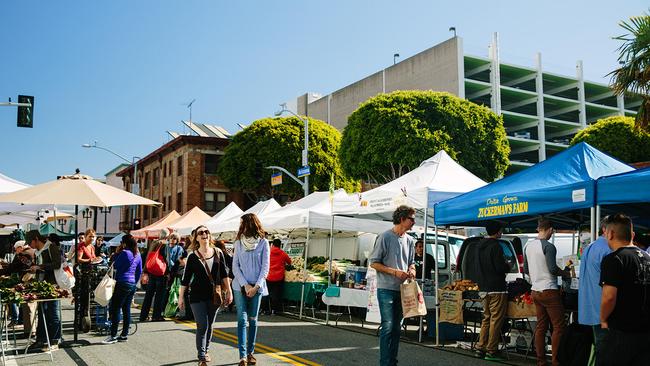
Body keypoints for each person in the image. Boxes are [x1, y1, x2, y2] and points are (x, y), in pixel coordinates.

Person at [598, 214, 650, 365]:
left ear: (611, 233)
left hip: (621, 331)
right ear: (632, 235)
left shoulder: (614, 259)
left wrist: (603, 319)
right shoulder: (647, 257)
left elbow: (609, 297)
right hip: (645, 331)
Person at [368, 205, 416, 366]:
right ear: (402, 219)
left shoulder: (410, 241)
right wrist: (395, 272)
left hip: (403, 290)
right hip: (386, 289)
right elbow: (374, 263)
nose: (414, 222)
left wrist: (412, 269)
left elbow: (412, 262)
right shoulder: (385, 237)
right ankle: (385, 363)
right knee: (388, 326)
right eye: (411, 219)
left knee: (396, 328)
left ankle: (391, 362)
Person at [179, 225, 232, 366]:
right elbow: (185, 279)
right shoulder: (192, 256)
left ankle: (206, 350)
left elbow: (225, 274)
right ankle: (201, 355)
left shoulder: (218, 252)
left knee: (210, 324)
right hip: (196, 296)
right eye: (201, 233)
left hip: (214, 295)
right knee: (202, 325)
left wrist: (230, 292)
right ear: (196, 237)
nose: (204, 234)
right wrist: (180, 298)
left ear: (209, 235)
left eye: (206, 232)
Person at [523, 218, 571, 366]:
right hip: (549, 289)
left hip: (535, 290)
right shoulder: (549, 246)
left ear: (539, 229)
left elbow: (525, 270)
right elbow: (552, 269)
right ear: (550, 229)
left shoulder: (528, 246)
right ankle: (556, 361)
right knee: (558, 326)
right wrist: (565, 273)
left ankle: (541, 361)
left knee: (541, 326)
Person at [231, 213, 270, 366]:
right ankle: (242, 356)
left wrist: (256, 287)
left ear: (252, 224)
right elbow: (235, 267)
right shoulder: (238, 243)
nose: (242, 227)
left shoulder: (264, 243)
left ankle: (250, 353)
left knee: (253, 320)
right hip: (240, 286)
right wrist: (245, 285)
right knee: (242, 320)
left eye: (244, 224)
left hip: (257, 287)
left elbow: (265, 268)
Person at [470, 222, 510, 361]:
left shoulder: (478, 246)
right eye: (501, 230)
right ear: (498, 231)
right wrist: (507, 265)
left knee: (486, 318)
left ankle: (480, 348)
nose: (502, 233)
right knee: (495, 320)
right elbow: (500, 268)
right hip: (497, 288)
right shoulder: (496, 246)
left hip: (483, 288)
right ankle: (491, 351)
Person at [578, 219, 611, 364]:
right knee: (605, 349)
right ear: (605, 229)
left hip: (591, 305)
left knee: (599, 347)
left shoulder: (591, 247)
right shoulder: (607, 249)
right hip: (604, 307)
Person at [25, 231, 62, 351]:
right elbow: (40, 268)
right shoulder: (37, 252)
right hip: (41, 285)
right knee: (41, 313)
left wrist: (40, 267)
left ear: (36, 239)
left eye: (30, 242)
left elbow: (57, 264)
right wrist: (33, 269)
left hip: (53, 285)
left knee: (53, 313)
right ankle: (41, 340)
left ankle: (55, 340)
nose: (30, 245)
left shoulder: (51, 247)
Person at [103, 234, 142, 344]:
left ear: (124, 243)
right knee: (126, 309)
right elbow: (139, 271)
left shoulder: (125, 253)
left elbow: (115, 265)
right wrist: (134, 282)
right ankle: (124, 334)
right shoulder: (137, 254)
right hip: (131, 283)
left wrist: (117, 252)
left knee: (115, 308)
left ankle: (113, 335)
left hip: (122, 282)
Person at [140, 239, 168, 322]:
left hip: (151, 274)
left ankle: (143, 316)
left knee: (148, 296)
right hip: (160, 275)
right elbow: (166, 260)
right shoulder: (163, 247)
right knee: (159, 297)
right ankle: (156, 316)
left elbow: (144, 260)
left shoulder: (151, 248)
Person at [265, 238, 291, 315]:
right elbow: (289, 262)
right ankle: (275, 310)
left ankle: (266, 309)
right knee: (277, 294)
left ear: (272, 244)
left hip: (269, 276)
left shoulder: (268, 252)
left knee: (267, 293)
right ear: (280, 245)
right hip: (279, 277)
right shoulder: (283, 253)